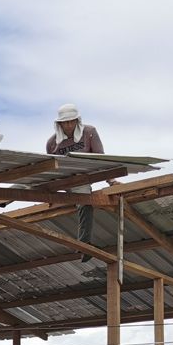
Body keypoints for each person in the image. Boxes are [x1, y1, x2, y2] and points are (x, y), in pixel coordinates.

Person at [46, 103, 105, 259]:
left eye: (72, 121)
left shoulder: (89, 132)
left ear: (77, 121)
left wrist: (111, 181)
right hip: (62, 178)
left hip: (81, 179)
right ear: (59, 124)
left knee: (85, 202)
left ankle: (83, 245)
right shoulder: (52, 143)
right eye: (65, 122)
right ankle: (4, 199)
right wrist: (51, 192)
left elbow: (102, 159)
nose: (69, 125)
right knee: (31, 180)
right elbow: (50, 168)